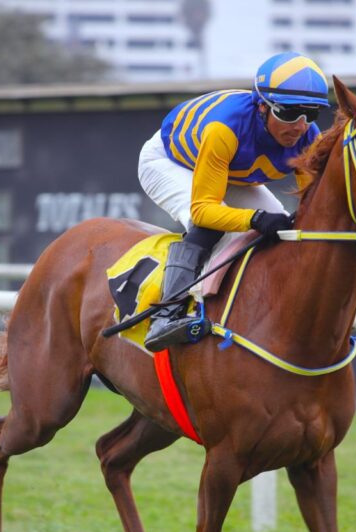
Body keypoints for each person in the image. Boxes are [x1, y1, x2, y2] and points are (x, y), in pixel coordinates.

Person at [137, 51, 331, 352]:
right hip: (170, 162)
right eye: (289, 113)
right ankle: (166, 314)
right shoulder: (224, 129)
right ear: (262, 107)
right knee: (214, 223)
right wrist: (254, 219)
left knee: (284, 228)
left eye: (311, 114)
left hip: (229, 172)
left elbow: (313, 206)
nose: (300, 126)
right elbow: (202, 211)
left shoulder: (309, 137)